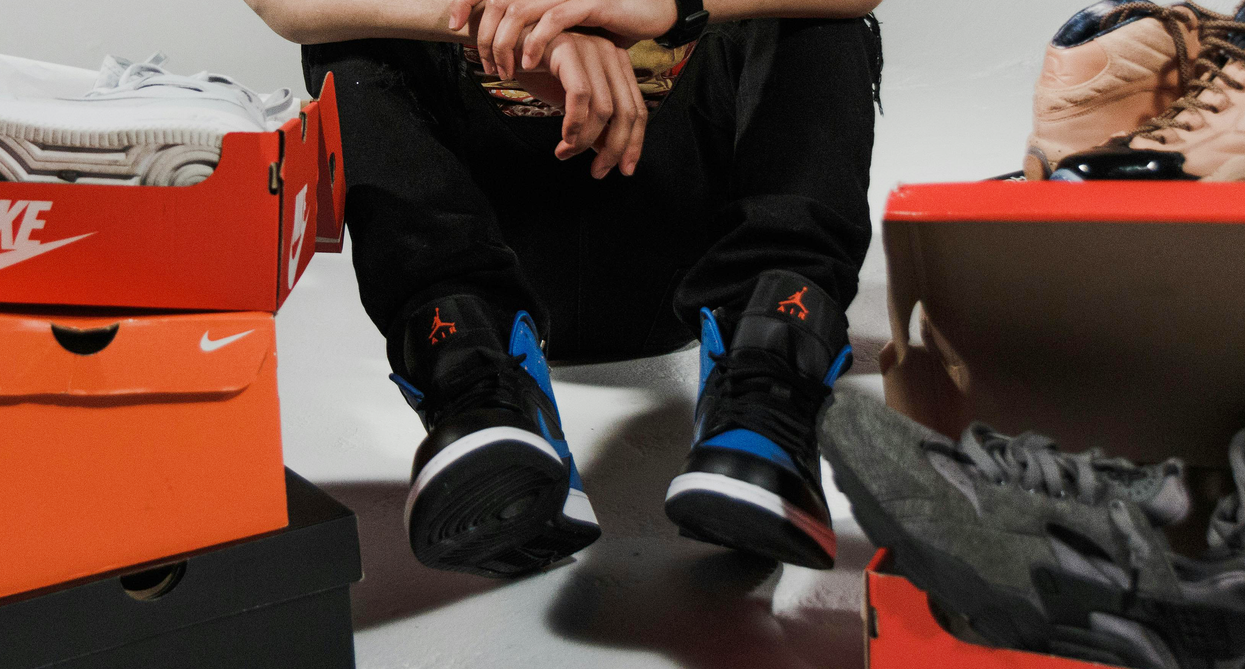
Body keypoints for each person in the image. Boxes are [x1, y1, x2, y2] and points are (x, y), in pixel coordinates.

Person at [246, 0, 883, 577]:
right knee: (351, 35)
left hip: (700, 248)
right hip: (485, 254)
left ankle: (765, 391)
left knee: (819, 17)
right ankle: (477, 394)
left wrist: (673, 5)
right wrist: (526, 35)